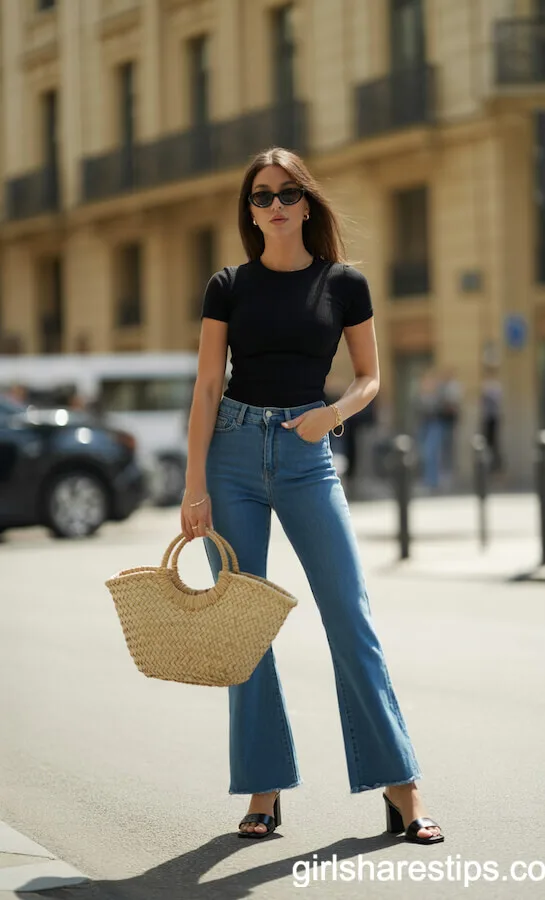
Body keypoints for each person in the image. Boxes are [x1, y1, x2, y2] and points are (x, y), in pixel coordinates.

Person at [180, 147, 444, 845]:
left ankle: (401, 786)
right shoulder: (228, 285)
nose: (272, 207)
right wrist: (194, 483)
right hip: (233, 452)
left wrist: (333, 416)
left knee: (349, 616)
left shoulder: (344, 283)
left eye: (285, 195)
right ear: (251, 211)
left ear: (306, 202)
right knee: (245, 624)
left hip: (307, 455)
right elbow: (208, 386)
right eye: (260, 197)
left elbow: (370, 376)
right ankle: (264, 790)